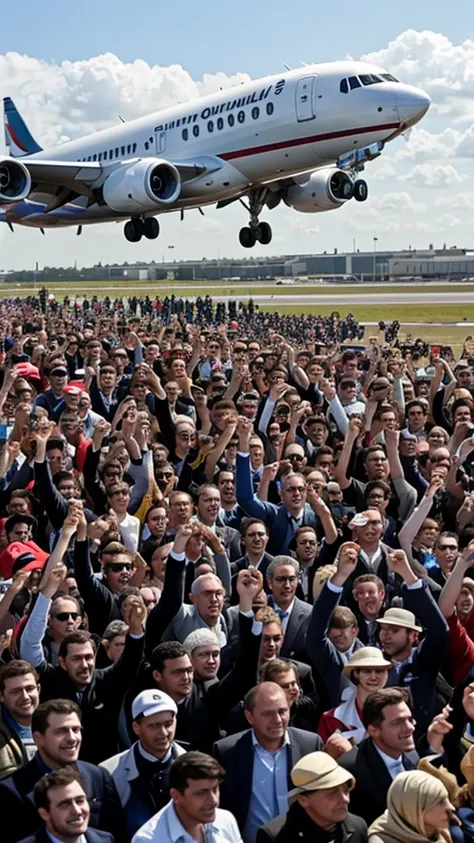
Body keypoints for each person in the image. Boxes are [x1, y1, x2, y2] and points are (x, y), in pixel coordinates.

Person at [0, 699, 124, 843]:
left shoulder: (98, 776)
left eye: (76, 730)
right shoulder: (11, 791)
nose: (72, 738)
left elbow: (116, 833)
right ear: (38, 739)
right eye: (61, 731)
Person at [213, 682, 322, 842]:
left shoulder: (310, 745)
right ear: (249, 716)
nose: (277, 720)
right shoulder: (227, 752)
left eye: (282, 711)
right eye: (268, 714)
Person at [100, 689, 186, 839]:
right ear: (136, 728)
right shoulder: (110, 772)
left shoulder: (193, 767)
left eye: (168, 724)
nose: (164, 732)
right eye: (154, 726)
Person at [256, 751, 367, 843]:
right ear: (303, 799)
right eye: (332, 793)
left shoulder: (358, 827)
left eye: (346, 790)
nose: (345, 799)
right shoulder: (275, 837)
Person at [132, 751, 242, 843]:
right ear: (176, 795)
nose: (214, 800)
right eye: (201, 793)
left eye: (215, 789)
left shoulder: (226, 820)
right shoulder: (148, 840)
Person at [318, 647, 392, 744]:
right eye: (367, 671)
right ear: (356, 674)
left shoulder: (401, 713)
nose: (374, 677)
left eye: (379, 671)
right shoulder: (332, 719)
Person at [26, 766, 114, 843]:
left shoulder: (105, 839)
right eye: (65, 804)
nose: (77, 811)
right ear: (44, 814)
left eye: (80, 801)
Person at [368, 770, 454, 843]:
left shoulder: (437, 830)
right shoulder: (381, 840)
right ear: (413, 807)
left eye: (447, 799)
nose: (451, 808)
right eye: (440, 802)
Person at [0, 660, 40, 779]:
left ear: (38, 689)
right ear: (1, 696)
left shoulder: (56, 725)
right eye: (16, 691)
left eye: (29, 689)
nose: (25, 697)